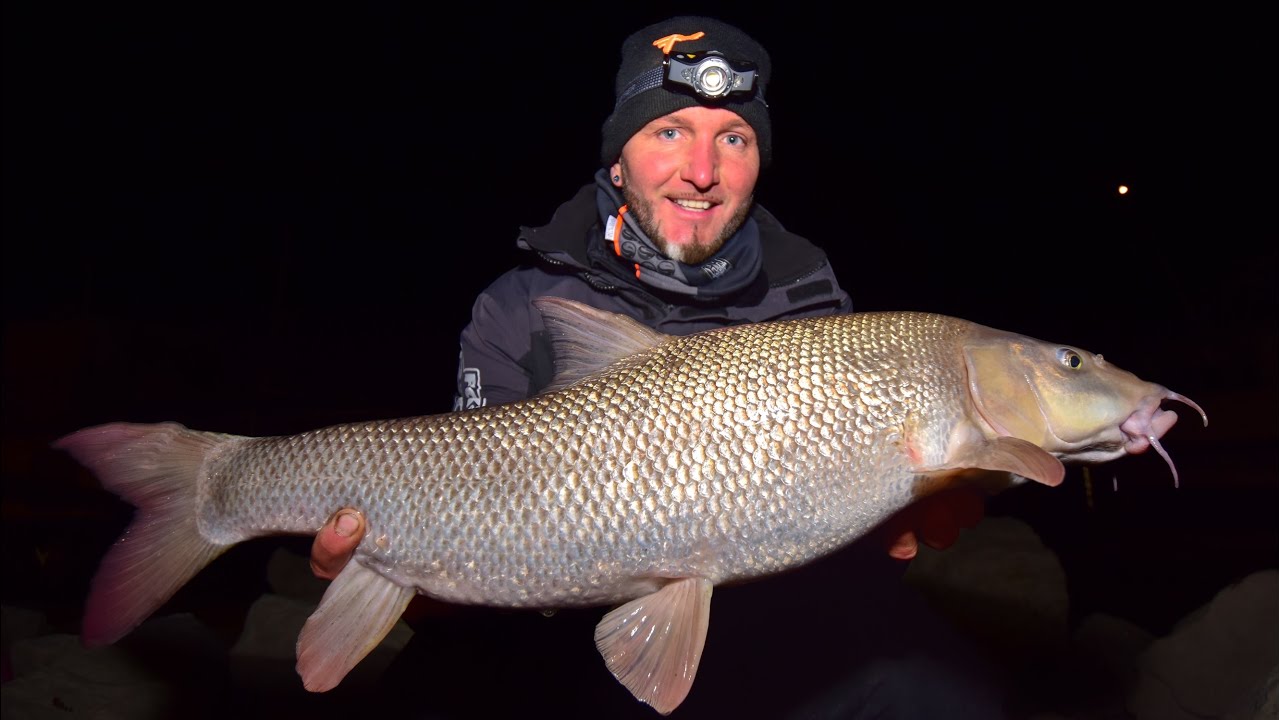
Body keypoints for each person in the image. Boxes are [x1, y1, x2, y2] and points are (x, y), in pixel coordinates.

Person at [308, 16, 998, 718]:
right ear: (617, 159)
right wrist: (403, 571)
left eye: (733, 138)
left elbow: (832, 540)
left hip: (755, 629)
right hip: (548, 634)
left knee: (939, 693)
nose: (702, 172)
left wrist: (895, 516)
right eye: (668, 132)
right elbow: (469, 522)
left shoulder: (811, 309)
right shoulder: (519, 309)